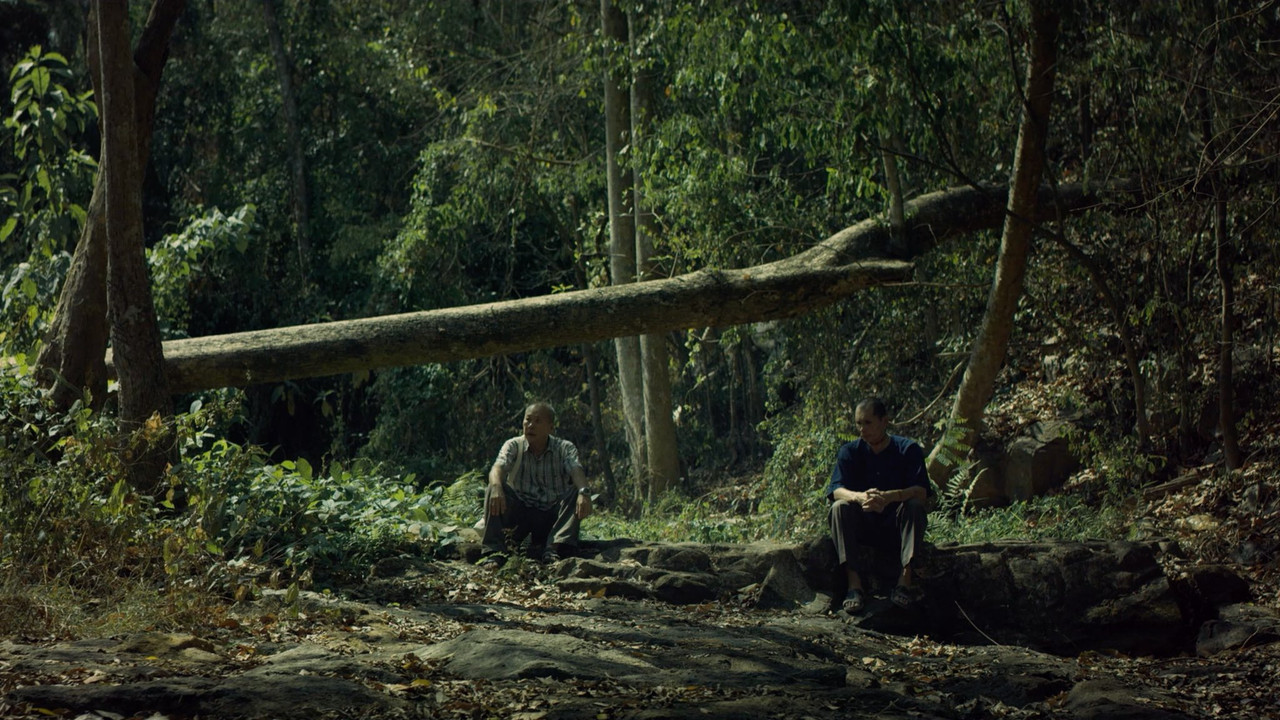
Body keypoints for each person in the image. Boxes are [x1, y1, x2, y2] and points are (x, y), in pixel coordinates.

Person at [825, 397, 932, 612]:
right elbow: (836, 490)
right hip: (863, 526)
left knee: (914, 506)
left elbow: (921, 491)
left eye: (868, 423)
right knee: (839, 508)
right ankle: (854, 585)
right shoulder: (849, 452)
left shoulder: (907, 449)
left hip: (895, 526)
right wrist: (860, 497)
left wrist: (889, 497)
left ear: (884, 421)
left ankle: (904, 582)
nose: (862, 429)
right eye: (858, 423)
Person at [481, 402, 593, 566]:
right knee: (494, 486)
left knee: (577, 491)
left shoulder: (564, 448)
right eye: (528, 420)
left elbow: (576, 470)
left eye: (538, 421)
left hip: (551, 518)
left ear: (550, 428)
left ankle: (554, 550)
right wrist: (497, 486)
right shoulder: (513, 445)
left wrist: (584, 492)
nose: (531, 426)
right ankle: (494, 552)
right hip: (520, 516)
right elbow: (498, 467)